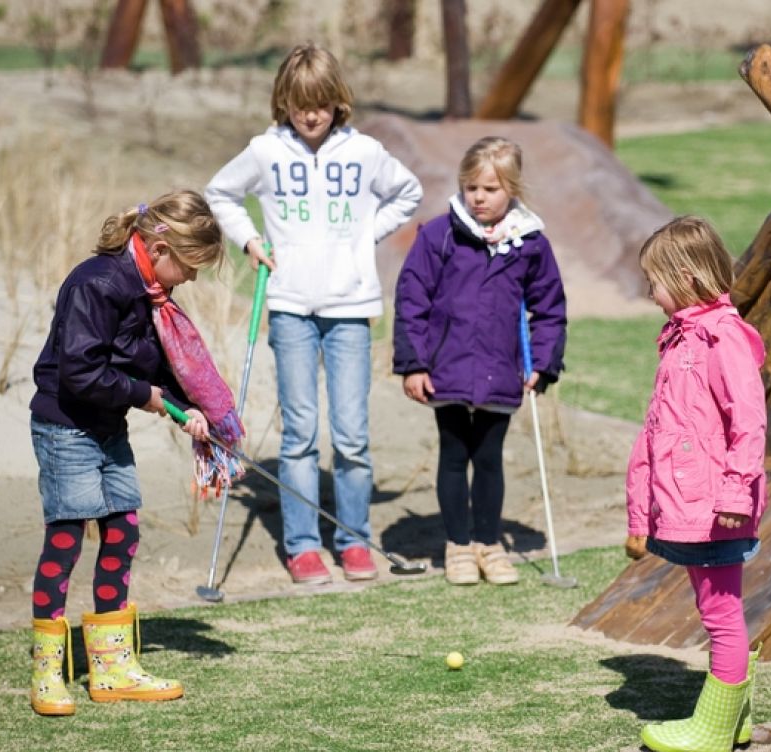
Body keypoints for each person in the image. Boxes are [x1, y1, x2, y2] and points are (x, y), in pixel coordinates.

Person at [205, 43, 422, 585]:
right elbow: (220, 193)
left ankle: (352, 540)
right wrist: (251, 240)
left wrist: (363, 237)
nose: (311, 115)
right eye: (301, 104)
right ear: (285, 100)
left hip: (351, 307)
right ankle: (303, 545)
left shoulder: (365, 151)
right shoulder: (265, 150)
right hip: (291, 306)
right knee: (299, 434)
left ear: (337, 102)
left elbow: (408, 192)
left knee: (351, 435)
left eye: (321, 104)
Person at [27, 190, 235, 717]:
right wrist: (147, 398)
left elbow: (153, 362)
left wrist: (192, 409)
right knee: (67, 539)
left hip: (106, 427)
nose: (189, 279)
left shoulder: (148, 291)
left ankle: (112, 666)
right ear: (160, 246)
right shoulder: (98, 283)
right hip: (66, 428)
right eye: (188, 266)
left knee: (123, 530)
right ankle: (48, 671)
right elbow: (79, 372)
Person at [392, 136, 567, 587]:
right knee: (454, 454)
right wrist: (413, 364)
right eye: (471, 188)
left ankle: (488, 544)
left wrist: (543, 363)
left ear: (512, 188)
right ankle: (459, 546)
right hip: (446, 367)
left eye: (490, 189)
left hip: (499, 370)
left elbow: (549, 308)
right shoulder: (439, 234)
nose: (479, 198)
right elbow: (412, 299)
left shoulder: (530, 243)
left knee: (488, 457)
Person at [624, 216, 768, 752]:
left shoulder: (722, 337)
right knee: (720, 609)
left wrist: (734, 494)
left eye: (654, 281)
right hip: (692, 503)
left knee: (721, 613)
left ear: (685, 277)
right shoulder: (683, 338)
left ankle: (711, 732)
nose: (649, 293)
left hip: (715, 506)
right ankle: (736, 720)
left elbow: (749, 420)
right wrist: (641, 510)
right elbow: (661, 426)